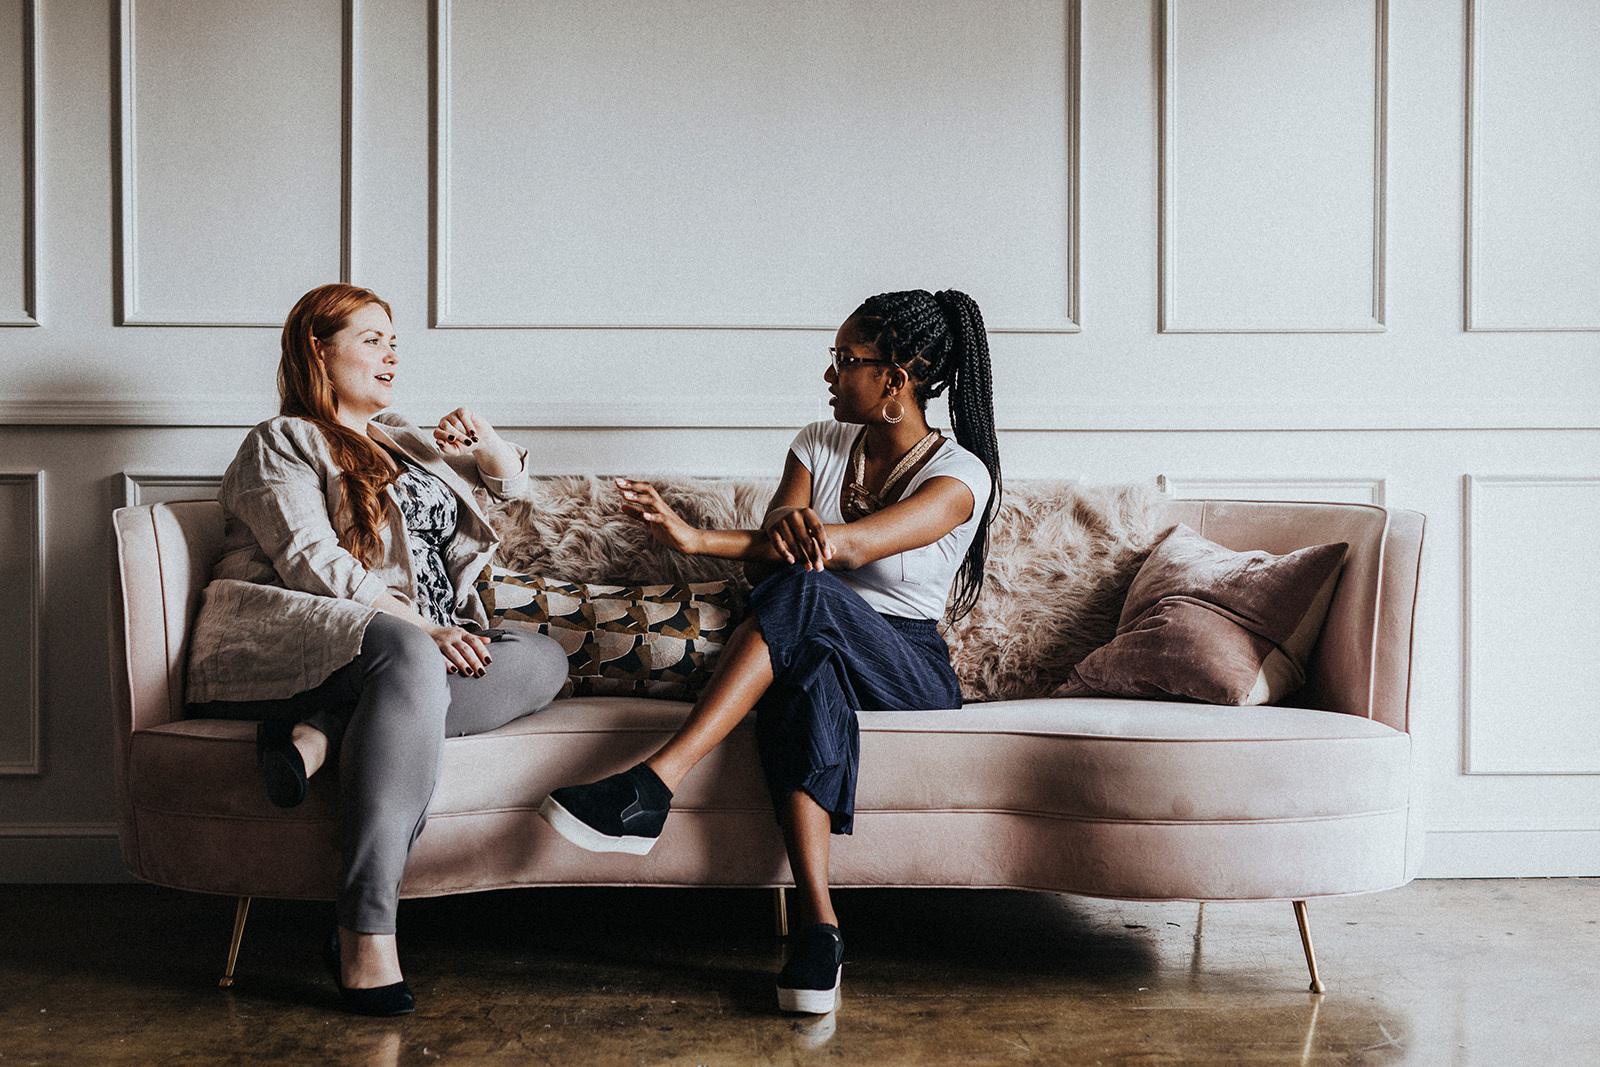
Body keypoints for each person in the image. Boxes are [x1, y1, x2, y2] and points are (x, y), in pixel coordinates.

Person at [539, 289, 1001, 1014]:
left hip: (905, 663)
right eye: (833, 358)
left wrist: (730, 537)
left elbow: (839, 547)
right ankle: (819, 929)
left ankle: (657, 780)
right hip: (815, 636)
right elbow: (779, 537)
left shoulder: (961, 477)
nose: (830, 374)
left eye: (847, 360)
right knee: (804, 670)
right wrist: (741, 534)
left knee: (807, 586)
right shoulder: (819, 440)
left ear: (895, 380)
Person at [185, 283, 569, 1015]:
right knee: (407, 651)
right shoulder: (282, 440)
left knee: (541, 658)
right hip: (306, 632)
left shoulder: (402, 438)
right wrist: (423, 630)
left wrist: (488, 447)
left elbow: (514, 496)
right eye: (371, 338)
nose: (391, 352)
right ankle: (365, 928)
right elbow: (312, 563)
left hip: (411, 649)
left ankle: (324, 727)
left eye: (394, 340)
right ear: (318, 351)